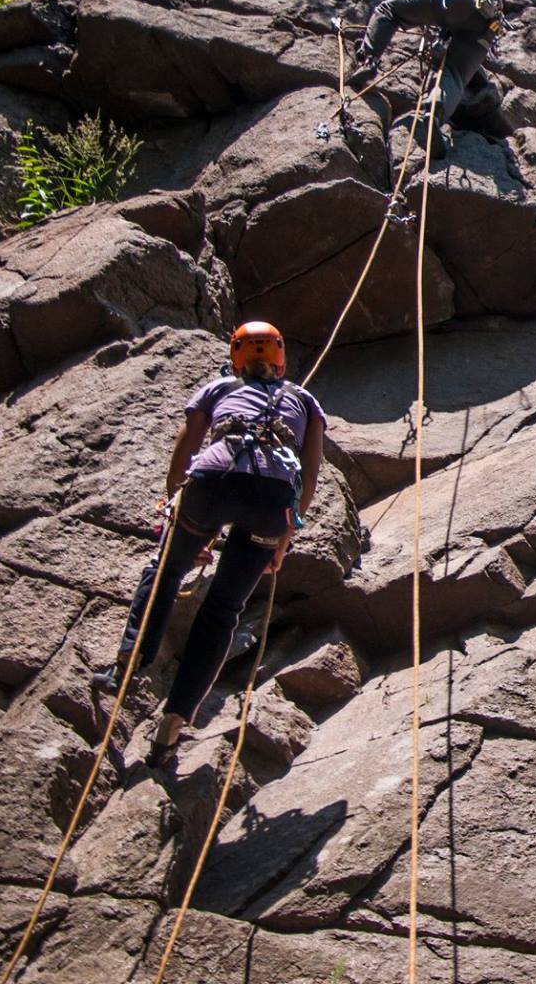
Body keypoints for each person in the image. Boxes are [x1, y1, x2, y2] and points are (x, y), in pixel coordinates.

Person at [94, 322, 327, 772]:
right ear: (281, 360)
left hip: (212, 483)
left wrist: (177, 512)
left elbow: (187, 448)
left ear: (235, 357)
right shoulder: (305, 400)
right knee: (222, 612)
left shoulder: (219, 386)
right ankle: (170, 730)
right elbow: (310, 473)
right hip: (270, 503)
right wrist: (285, 535)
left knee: (165, 572)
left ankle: (125, 669)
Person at [350, 0, 502, 153]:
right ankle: (432, 118)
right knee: (453, 73)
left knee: (388, 10)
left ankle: (368, 61)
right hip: (488, 24)